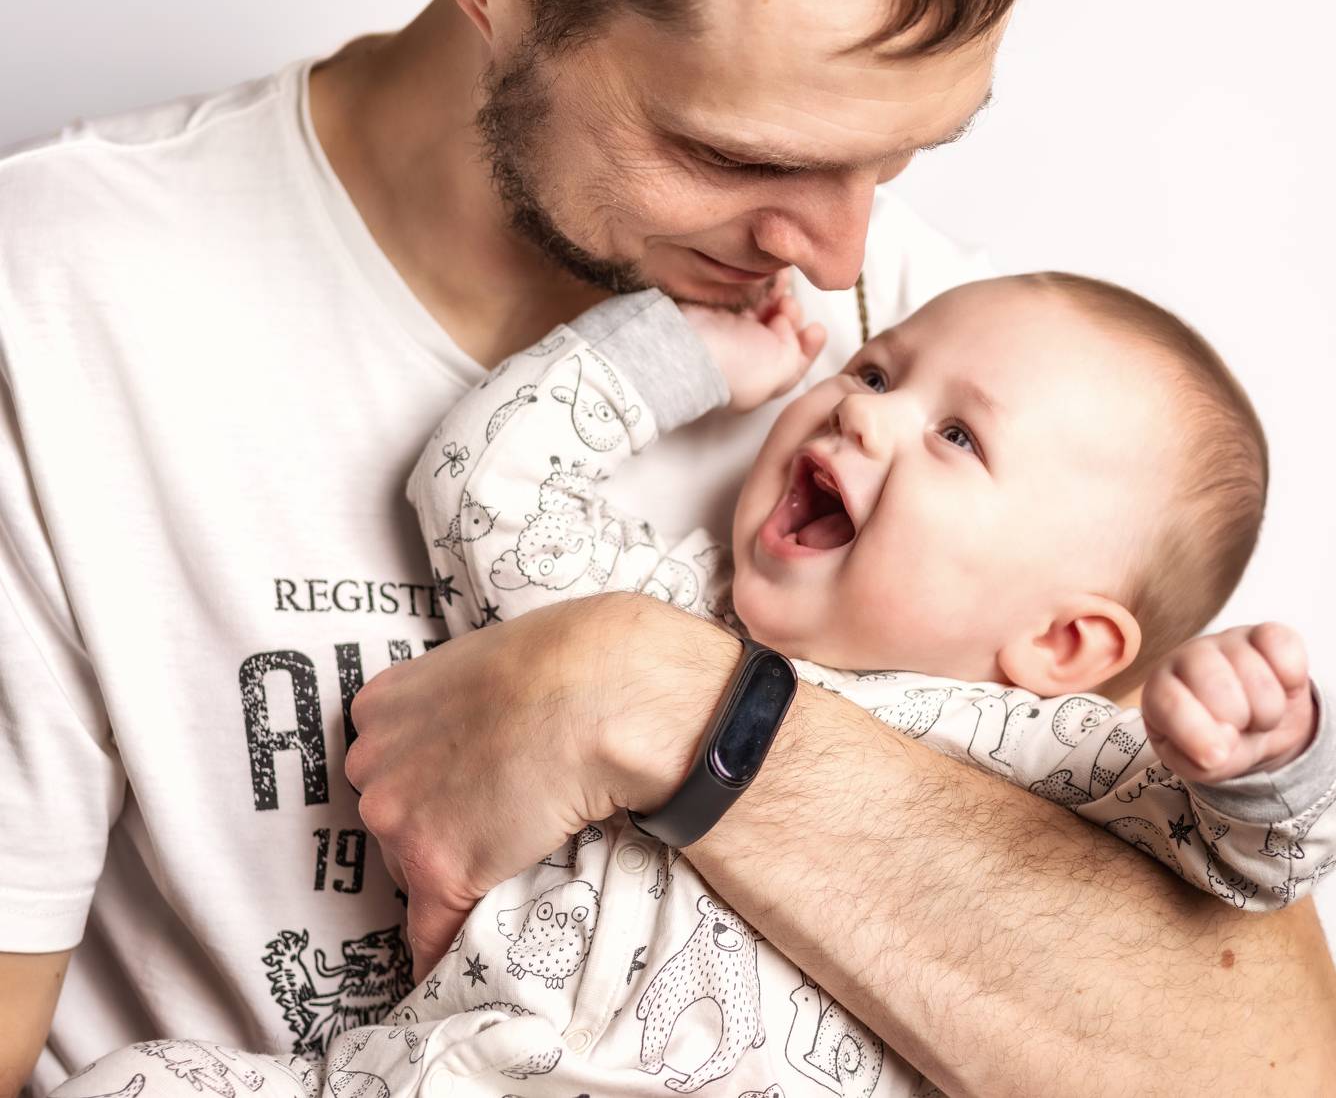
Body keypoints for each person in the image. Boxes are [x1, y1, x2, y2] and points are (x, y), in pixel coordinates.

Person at [2, 0, 1333, 1094]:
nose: (839, 260)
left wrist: (646, 698)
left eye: (901, 156)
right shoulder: (60, 312)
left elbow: (1263, 1068)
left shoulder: (977, 368)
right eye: (735, 154)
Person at [52, 273, 1334, 1098]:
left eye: (956, 436)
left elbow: (1242, 872)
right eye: (876, 370)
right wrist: (671, 358)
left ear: (1062, 644)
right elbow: (482, 488)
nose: (863, 415)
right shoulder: (651, 603)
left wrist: (1258, 754)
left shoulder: (1055, 756)